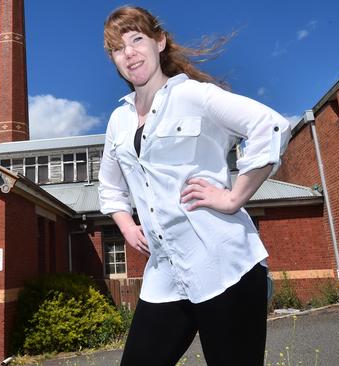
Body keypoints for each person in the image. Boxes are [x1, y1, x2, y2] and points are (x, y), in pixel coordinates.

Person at [98, 6, 291, 366]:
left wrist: (235, 197)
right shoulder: (118, 120)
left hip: (225, 267)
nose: (130, 53)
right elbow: (109, 185)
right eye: (118, 48)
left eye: (137, 39)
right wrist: (126, 225)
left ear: (160, 41)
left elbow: (270, 126)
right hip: (165, 275)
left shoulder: (194, 96)